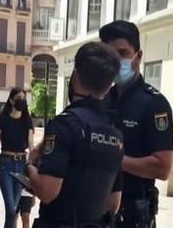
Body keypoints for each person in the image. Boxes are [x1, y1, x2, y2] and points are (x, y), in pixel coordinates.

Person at [27, 42, 124, 228]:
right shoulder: (115, 134)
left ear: (75, 75)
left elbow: (48, 191)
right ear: (107, 86)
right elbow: (114, 204)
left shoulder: (64, 124)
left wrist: (30, 168)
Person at [100, 20, 173, 228]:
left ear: (138, 56)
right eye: (110, 55)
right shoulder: (102, 99)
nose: (116, 61)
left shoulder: (154, 104)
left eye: (122, 53)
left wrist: (113, 158)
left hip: (134, 214)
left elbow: (162, 167)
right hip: (98, 211)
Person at [0, 88, 35, 228]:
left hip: (21, 166)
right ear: (11, 100)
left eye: (23, 98)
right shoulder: (2, 119)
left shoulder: (27, 121)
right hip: (6, 165)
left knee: (12, 212)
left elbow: (31, 146)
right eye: (18, 98)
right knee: (11, 209)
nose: (22, 101)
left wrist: (35, 167)